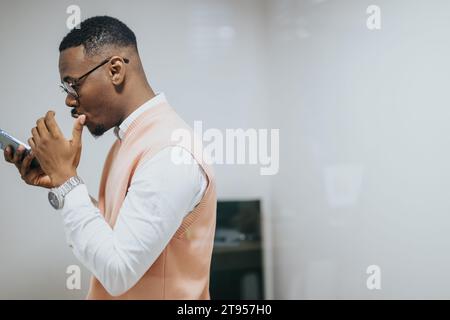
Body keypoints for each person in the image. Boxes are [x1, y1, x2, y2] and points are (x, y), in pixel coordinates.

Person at [3, 15, 216, 300]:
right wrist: (60, 181)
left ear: (115, 70)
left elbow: (118, 272)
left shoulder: (171, 153)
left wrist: (68, 180)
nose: (68, 100)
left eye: (72, 84)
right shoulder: (128, 141)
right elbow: (116, 234)